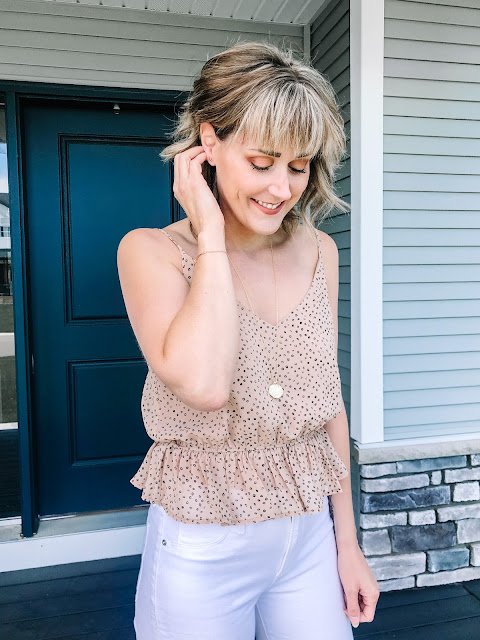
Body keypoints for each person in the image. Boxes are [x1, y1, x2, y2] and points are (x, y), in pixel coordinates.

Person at [117, 41, 379, 640]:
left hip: (310, 535)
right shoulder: (152, 252)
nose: (281, 188)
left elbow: (329, 403)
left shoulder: (321, 251)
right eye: (262, 162)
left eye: (299, 165)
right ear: (208, 143)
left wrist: (348, 543)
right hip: (203, 546)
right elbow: (204, 386)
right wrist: (210, 235)